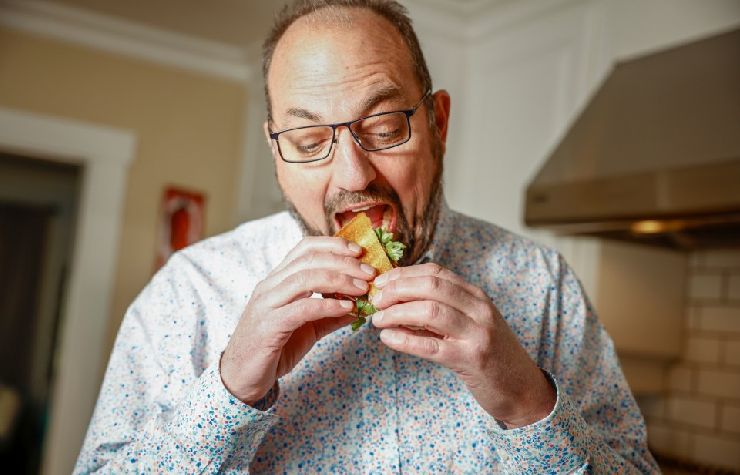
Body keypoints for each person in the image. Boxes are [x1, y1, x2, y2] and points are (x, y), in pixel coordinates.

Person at [75, 0, 659, 473]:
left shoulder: (543, 284)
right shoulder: (189, 292)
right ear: (277, 153)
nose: (353, 176)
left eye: (383, 128)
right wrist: (228, 391)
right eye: (309, 143)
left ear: (438, 125)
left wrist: (530, 401)